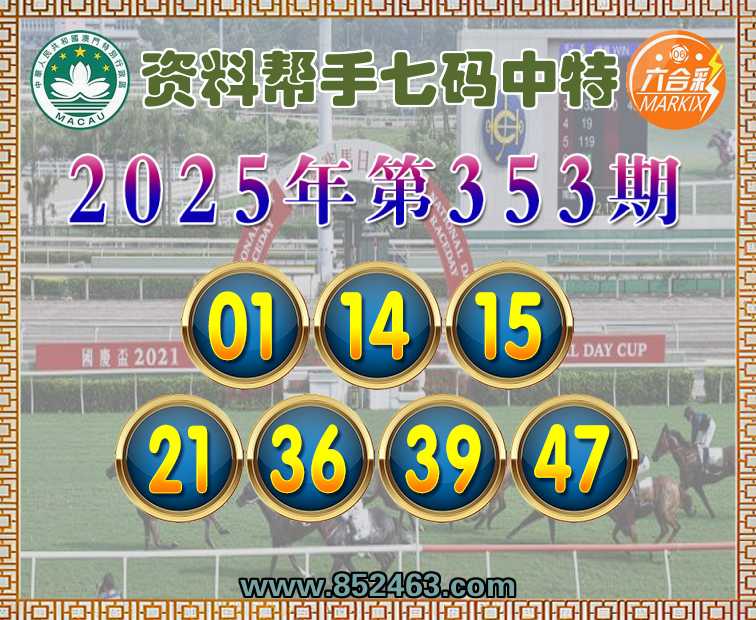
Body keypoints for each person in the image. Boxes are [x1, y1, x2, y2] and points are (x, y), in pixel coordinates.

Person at [684, 405, 717, 470]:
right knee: (699, 443)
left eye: (687, 417)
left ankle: (706, 465)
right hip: (703, 427)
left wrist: (692, 442)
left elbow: (695, 431)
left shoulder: (696, 418)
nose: (687, 419)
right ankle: (700, 460)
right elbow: (693, 431)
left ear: (691, 414)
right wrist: (693, 442)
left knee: (705, 445)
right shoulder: (693, 419)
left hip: (710, 426)